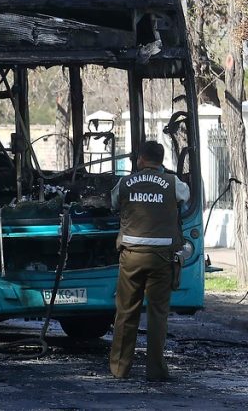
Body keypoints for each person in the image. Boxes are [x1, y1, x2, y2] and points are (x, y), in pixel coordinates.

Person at [109, 140, 190, 382]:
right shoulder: (173, 183)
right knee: (157, 314)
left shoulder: (125, 182)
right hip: (162, 258)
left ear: (141, 160)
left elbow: (113, 203)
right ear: (161, 161)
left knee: (126, 312)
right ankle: (156, 370)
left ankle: (120, 368)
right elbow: (185, 200)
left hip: (131, 257)